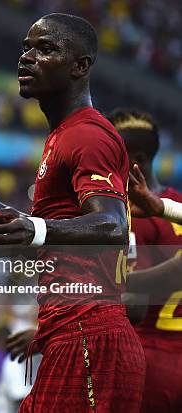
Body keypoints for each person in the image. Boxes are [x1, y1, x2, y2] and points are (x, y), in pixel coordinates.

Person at [0, 13, 145, 412]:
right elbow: (27, 234)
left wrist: (36, 229)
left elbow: (112, 225)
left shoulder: (87, 134)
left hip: (89, 334)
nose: (27, 57)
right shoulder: (62, 137)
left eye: (45, 48)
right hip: (68, 333)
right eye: (26, 48)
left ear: (80, 66)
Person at [107, 108, 182, 412]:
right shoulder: (174, 204)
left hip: (147, 361)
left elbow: (133, 306)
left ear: (133, 159)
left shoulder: (130, 213)